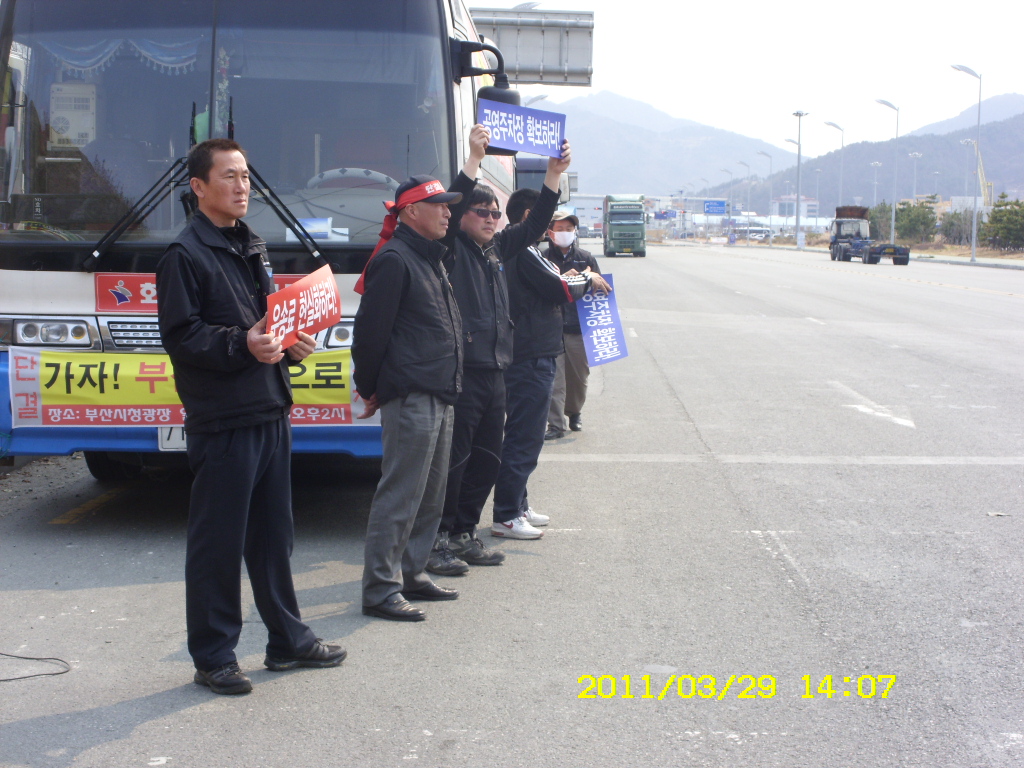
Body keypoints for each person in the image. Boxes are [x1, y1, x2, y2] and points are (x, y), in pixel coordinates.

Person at [157, 138, 346, 696]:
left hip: (269, 406)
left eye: (246, 176)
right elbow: (182, 337)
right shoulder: (184, 254)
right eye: (230, 177)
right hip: (224, 419)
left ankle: (287, 640)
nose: (243, 186)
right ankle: (214, 656)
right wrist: (243, 344)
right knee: (218, 543)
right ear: (198, 187)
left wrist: (290, 343)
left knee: (273, 539)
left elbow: (264, 322)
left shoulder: (250, 244)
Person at [427, 126, 567, 574]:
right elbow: (454, 200)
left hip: (497, 370)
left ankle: (465, 533)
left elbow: (534, 223)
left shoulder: (497, 250)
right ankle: (438, 539)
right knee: (456, 460)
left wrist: (553, 175)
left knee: (487, 460)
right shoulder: (449, 249)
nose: (490, 219)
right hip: (464, 372)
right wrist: (473, 159)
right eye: (481, 212)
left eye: (493, 213)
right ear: (459, 216)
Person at [352, 173, 464, 621]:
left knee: (430, 495)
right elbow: (369, 334)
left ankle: (413, 573)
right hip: (412, 395)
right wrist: (369, 388)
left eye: (449, 205)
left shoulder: (429, 256)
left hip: (439, 391)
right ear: (411, 211)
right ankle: (381, 588)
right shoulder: (395, 259)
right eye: (440, 205)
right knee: (400, 494)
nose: (448, 213)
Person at [489, 141, 611, 540]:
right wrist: (587, 279)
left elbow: (554, 283)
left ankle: (518, 504)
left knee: (523, 434)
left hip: (531, 350)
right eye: (546, 216)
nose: (551, 225)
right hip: (529, 355)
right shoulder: (524, 251)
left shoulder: (526, 250)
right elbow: (560, 288)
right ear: (530, 216)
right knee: (524, 437)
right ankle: (507, 513)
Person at [544, 211, 603, 440]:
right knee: (555, 380)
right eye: (560, 229)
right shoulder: (543, 258)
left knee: (578, 378)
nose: (565, 233)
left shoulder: (586, 259)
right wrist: (565, 277)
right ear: (550, 232)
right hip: (552, 329)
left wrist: (589, 278)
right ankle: (556, 425)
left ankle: (574, 411)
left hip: (579, 328)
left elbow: (599, 289)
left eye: (569, 229)